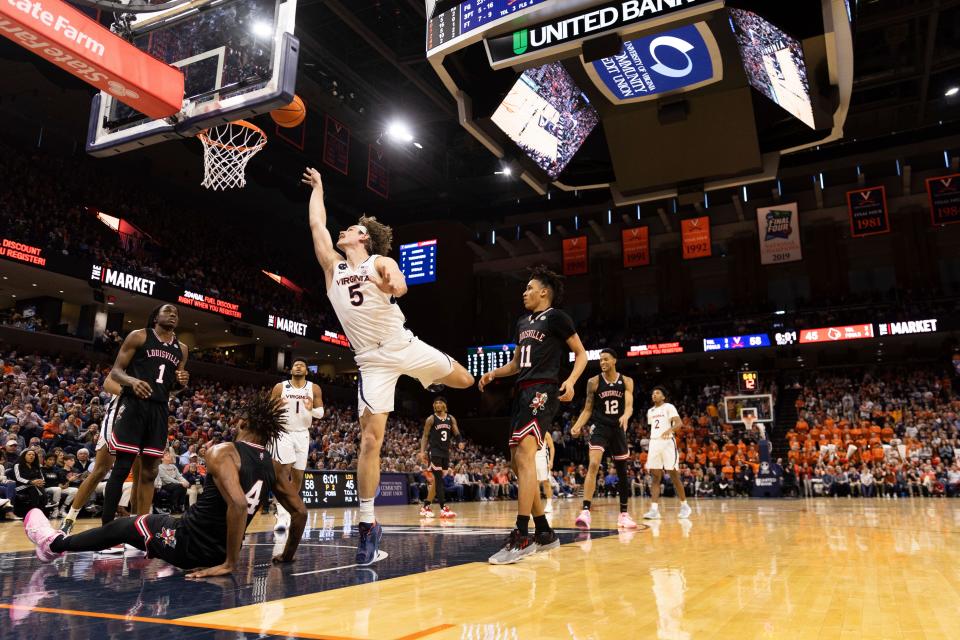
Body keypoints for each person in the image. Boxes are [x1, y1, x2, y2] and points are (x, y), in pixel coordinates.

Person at [303, 167, 474, 565]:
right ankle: (367, 525)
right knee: (369, 441)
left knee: (465, 380)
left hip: (403, 344)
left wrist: (393, 286)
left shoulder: (378, 261)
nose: (342, 232)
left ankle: (432, 382)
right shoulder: (333, 268)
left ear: (363, 237)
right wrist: (320, 188)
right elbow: (316, 223)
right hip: (372, 361)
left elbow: (398, 280)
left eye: (350, 229)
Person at [24, 392, 308, 577]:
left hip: (189, 543)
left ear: (243, 421)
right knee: (149, 522)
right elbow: (300, 513)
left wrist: (230, 565)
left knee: (124, 526)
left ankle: (54, 544)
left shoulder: (224, 451)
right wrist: (287, 555)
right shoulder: (271, 463)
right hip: (218, 548)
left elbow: (236, 503)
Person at [478, 266, 587, 564]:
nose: (524, 293)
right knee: (517, 462)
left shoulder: (557, 317)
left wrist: (571, 381)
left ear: (544, 292)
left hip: (543, 390)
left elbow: (581, 353)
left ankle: (521, 536)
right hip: (521, 391)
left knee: (525, 458)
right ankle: (544, 533)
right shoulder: (523, 321)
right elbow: (516, 363)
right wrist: (493, 374)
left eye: (529, 288)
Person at [102, 304, 189, 527]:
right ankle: (107, 528)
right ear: (155, 316)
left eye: (176, 314)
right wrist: (132, 381)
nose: (172, 315)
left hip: (159, 409)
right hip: (134, 405)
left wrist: (181, 385)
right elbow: (116, 372)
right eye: (168, 311)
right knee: (122, 467)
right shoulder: (139, 336)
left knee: (150, 472)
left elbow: (171, 387)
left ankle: (141, 526)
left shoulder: (182, 348)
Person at [59, 378, 142, 538]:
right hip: (119, 414)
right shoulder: (131, 359)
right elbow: (109, 381)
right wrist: (134, 392)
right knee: (99, 471)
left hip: (142, 420)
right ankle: (69, 520)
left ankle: (135, 524)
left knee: (139, 476)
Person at [570, 349, 637, 530]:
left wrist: (626, 416)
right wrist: (578, 425)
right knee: (593, 464)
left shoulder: (627, 381)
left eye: (606, 359)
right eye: (601, 360)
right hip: (600, 428)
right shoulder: (593, 382)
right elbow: (588, 409)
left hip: (618, 429)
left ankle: (623, 514)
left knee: (622, 472)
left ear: (614, 360)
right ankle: (585, 511)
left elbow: (629, 405)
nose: (602, 362)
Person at [269, 359, 323, 533]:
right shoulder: (280, 387)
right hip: (283, 432)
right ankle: (282, 515)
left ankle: (287, 509)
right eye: (295, 365)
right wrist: (275, 407)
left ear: (306, 371)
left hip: (302, 434)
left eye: (302, 365)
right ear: (290, 370)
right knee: (283, 473)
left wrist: (310, 409)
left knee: (298, 477)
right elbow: (268, 409)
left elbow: (321, 413)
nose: (298, 366)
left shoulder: (314, 388)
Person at [643, 386, 692, 520]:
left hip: (667, 443)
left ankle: (685, 506)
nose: (654, 395)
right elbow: (654, 426)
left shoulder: (669, 407)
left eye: (657, 393)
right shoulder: (650, 411)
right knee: (655, 477)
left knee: (674, 475)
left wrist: (669, 430)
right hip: (654, 443)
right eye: (653, 393)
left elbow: (679, 423)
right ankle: (654, 510)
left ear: (663, 397)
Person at [418, 396, 461, 519]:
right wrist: (422, 451)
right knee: (439, 479)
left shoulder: (450, 418)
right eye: (435, 402)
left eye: (440, 402)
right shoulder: (431, 419)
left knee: (437, 481)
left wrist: (460, 441)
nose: (437, 404)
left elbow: (456, 432)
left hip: (445, 453)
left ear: (444, 405)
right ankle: (443, 508)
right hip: (435, 452)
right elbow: (425, 436)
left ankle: (425, 506)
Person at [537, 430, 555, 513]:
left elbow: (552, 447)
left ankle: (549, 504)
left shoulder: (546, 433)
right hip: (532, 459)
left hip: (543, 458)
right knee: (534, 483)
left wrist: (551, 461)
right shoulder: (531, 432)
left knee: (546, 482)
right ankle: (536, 505)